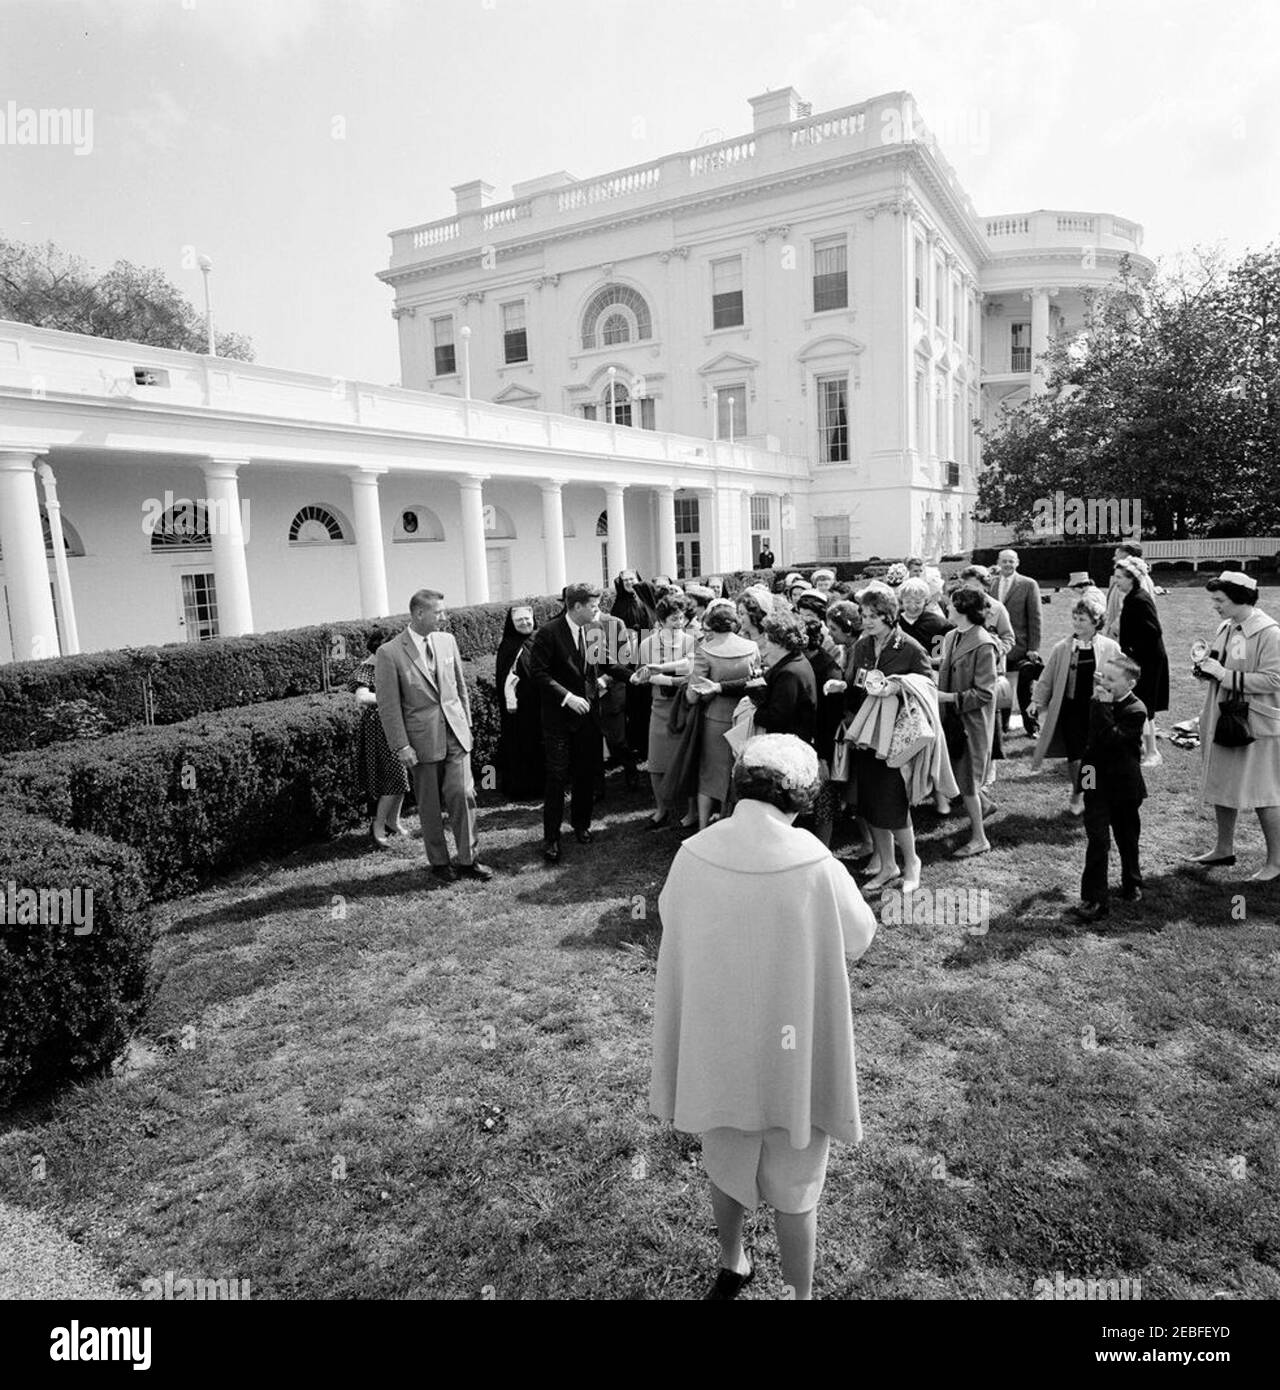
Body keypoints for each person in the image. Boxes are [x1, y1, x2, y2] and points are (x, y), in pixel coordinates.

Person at [649, 734, 878, 1301]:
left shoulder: (693, 852)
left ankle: (733, 1260)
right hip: (792, 1054)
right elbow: (859, 937)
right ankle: (799, 1296)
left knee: (725, 1159)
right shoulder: (816, 864)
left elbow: (668, 916)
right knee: (797, 1182)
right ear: (800, 798)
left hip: (720, 1044)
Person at [376, 590, 492, 881]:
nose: (444, 617)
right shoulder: (389, 653)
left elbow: (460, 687)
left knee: (463, 794)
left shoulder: (447, 640)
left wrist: (466, 726)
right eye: (439, 612)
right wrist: (401, 745)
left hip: (456, 734)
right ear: (419, 614)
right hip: (420, 742)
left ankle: (468, 860)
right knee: (429, 804)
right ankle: (440, 863)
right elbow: (388, 706)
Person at [831, 587, 931, 891]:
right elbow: (854, 685)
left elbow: (927, 687)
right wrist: (840, 686)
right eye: (864, 615)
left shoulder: (911, 648)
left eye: (873, 615)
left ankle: (911, 862)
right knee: (870, 803)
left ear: (889, 615)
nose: (867, 620)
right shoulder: (861, 647)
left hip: (893, 737)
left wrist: (898, 687)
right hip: (864, 735)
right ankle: (888, 865)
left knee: (894, 802)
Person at [1184, 571, 1280, 881]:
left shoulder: (1270, 633)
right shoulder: (1226, 627)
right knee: (1223, 783)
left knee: (1265, 793)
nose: (1214, 605)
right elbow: (1220, 663)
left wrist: (1224, 675)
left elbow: (1274, 679)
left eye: (1219, 600)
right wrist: (1205, 670)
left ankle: (1276, 862)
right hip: (1222, 716)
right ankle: (1223, 848)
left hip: (1256, 723)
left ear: (1240, 599)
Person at [528, 581, 630, 863]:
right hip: (559, 718)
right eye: (594, 607)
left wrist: (634, 676)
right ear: (576, 607)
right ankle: (551, 838)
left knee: (586, 773)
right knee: (557, 777)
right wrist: (567, 697)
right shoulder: (548, 633)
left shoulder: (593, 629)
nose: (598, 611)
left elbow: (608, 663)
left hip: (588, 716)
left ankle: (581, 825)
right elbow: (538, 673)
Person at [1071, 655, 1147, 922]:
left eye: (1112, 679)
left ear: (1131, 684)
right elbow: (1091, 743)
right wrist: (1081, 788)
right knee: (1098, 841)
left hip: (1124, 787)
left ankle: (1132, 881)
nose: (1105, 683)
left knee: (1127, 838)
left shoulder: (1136, 710)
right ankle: (1094, 899)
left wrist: (1102, 706)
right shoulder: (1097, 701)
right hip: (1096, 783)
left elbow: (1111, 740)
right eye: (1103, 676)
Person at [1029, 595, 1121, 814]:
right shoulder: (1063, 648)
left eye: (1082, 619)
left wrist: (1110, 686)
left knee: (1092, 754)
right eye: (1075, 618)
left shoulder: (1110, 647)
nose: (1077, 623)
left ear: (1096, 621)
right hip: (1071, 708)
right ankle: (1078, 791)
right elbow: (1047, 676)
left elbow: (1123, 677)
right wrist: (1036, 701)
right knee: (1075, 754)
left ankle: (1088, 792)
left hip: (1097, 710)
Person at [936, 587, 1000, 857]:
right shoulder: (952, 635)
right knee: (960, 773)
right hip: (952, 720)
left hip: (971, 724)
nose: (947, 609)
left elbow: (985, 693)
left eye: (951, 605)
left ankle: (979, 838)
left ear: (963, 609)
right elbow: (946, 663)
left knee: (968, 783)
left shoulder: (984, 643)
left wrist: (948, 697)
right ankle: (985, 806)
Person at [686, 600, 760, 828]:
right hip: (747, 717)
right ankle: (734, 823)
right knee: (741, 771)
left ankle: (702, 828)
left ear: (711, 624)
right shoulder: (752, 647)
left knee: (709, 773)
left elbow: (692, 695)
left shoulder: (705, 651)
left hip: (715, 718)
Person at [633, 592, 698, 829]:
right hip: (659, 707)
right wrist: (666, 679)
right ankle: (662, 810)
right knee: (656, 763)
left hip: (684, 706)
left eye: (681, 618)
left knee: (687, 759)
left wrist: (662, 672)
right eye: (673, 619)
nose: (679, 623)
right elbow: (644, 675)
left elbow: (690, 667)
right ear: (661, 621)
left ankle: (692, 811)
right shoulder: (647, 643)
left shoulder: (690, 640)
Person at [348, 627, 411, 848]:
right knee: (394, 777)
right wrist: (390, 698)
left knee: (402, 776)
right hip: (380, 728)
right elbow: (362, 697)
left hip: (397, 723)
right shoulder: (367, 669)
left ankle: (393, 821)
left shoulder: (391, 664)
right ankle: (377, 826)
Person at [1113, 556, 1169, 768]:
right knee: (1141, 705)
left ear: (1131, 578)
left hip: (1148, 661)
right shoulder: (1131, 596)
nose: (1116, 581)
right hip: (1141, 659)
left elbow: (1153, 631)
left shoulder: (1139, 598)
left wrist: (1131, 650)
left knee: (1145, 707)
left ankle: (1153, 752)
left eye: (1119, 577)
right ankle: (1142, 748)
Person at [990, 549, 1043, 737]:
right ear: (998, 562)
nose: (1007, 565)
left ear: (1017, 563)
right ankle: (1002, 726)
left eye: (1011, 561)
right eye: (1004, 561)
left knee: (1025, 690)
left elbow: (1035, 619)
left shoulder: (1028, 585)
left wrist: (1033, 648)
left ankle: (1032, 727)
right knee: (1001, 688)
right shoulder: (992, 584)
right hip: (997, 647)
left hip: (1020, 646)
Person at [495, 604, 545, 800]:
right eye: (519, 621)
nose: (524, 623)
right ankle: (522, 788)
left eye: (527, 619)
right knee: (521, 745)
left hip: (541, 703)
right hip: (518, 709)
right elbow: (502, 679)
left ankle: (544, 785)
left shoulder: (542, 638)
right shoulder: (507, 646)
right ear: (512, 623)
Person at [749, 609, 817, 745]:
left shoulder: (789, 673)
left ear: (780, 643)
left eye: (768, 640)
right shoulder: (795, 660)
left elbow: (777, 718)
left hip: (786, 746)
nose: (765, 645)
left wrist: (751, 712)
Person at [612, 570, 657, 766]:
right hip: (630, 661)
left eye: (632, 579)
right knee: (635, 705)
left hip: (650, 655)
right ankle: (637, 745)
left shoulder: (647, 600)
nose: (629, 582)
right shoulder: (618, 606)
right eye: (625, 580)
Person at [592, 607, 638, 792]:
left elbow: (625, 657)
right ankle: (597, 787)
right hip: (587, 692)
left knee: (616, 739)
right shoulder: (575, 625)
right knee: (592, 741)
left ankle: (630, 770)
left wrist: (605, 680)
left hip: (611, 689)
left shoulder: (614, 623)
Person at [897, 576, 952, 668]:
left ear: (926, 601)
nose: (912, 606)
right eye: (908, 602)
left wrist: (923, 660)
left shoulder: (939, 625)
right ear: (901, 601)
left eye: (918, 602)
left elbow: (940, 658)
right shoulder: (894, 623)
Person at [1104, 541, 1152, 639]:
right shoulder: (1140, 576)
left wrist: (1113, 631)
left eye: (1116, 555)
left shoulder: (1131, 580)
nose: (1114, 558)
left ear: (1126, 556)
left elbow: (1127, 610)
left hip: (1125, 636)